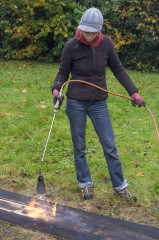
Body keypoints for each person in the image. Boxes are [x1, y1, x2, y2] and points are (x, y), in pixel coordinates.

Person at [52, 7, 145, 201]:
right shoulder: (71, 46)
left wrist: (134, 92)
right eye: (86, 31)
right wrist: (56, 89)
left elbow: (118, 70)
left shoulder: (107, 45)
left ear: (99, 31)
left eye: (93, 33)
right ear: (81, 27)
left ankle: (120, 186)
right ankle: (85, 184)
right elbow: (62, 72)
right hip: (76, 102)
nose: (89, 36)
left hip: (99, 104)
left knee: (109, 144)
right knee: (79, 146)